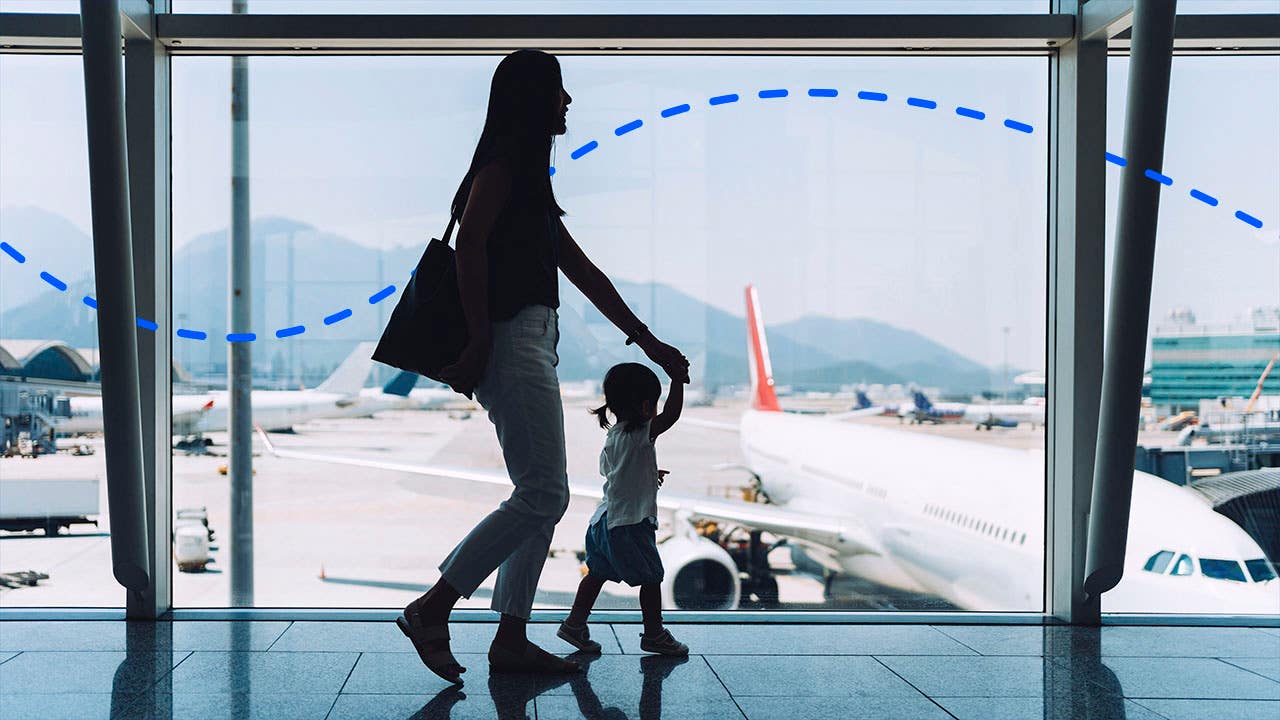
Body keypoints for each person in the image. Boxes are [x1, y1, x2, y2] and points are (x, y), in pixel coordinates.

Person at [396, 49, 690, 685]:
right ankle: (432, 608)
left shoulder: (526, 176)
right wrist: (477, 340)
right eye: (559, 90)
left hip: (528, 338)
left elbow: (581, 271)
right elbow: (470, 245)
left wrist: (649, 342)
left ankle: (510, 640)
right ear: (533, 99)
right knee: (544, 494)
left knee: (540, 496)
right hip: (509, 339)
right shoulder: (503, 168)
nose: (569, 102)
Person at [556, 363, 689, 657]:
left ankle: (574, 624)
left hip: (603, 522)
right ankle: (654, 634)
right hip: (631, 523)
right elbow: (672, 415)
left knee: (597, 573)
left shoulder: (614, 435)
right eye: (654, 403)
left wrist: (648, 471)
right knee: (652, 577)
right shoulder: (643, 432)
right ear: (645, 406)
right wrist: (678, 380)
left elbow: (613, 472)